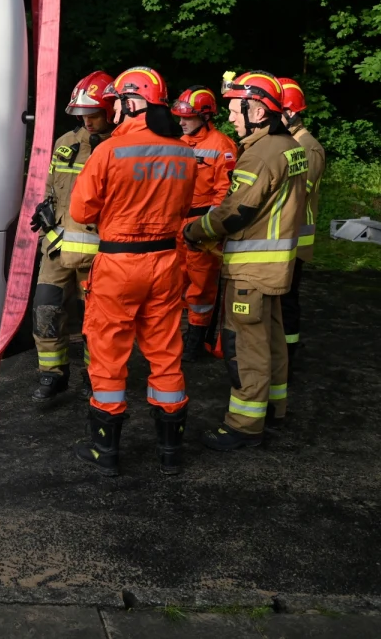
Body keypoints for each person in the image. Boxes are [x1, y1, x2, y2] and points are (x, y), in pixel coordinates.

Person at [68, 66, 196, 476]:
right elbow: (183, 206)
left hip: (119, 265)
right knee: (165, 354)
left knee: (108, 354)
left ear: (130, 103)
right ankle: (171, 453)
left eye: (119, 102)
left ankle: (105, 453)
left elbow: (81, 211)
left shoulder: (109, 151)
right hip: (165, 263)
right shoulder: (184, 150)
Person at [183, 71, 307, 450]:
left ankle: (243, 425)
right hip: (276, 266)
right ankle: (273, 407)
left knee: (245, 345)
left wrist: (193, 230)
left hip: (250, 271)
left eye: (237, 110)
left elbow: (234, 213)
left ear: (257, 109)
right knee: (271, 341)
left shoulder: (259, 154)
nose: (231, 118)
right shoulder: (290, 147)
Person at [28, 71, 115, 401]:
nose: (88, 123)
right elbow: (53, 185)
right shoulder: (66, 143)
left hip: (98, 253)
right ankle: (53, 374)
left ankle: (96, 377)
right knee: (45, 310)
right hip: (56, 248)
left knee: (96, 322)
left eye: (94, 115)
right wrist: (43, 207)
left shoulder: (118, 149)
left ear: (110, 111)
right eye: (83, 116)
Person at [171, 87, 238, 360]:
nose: (182, 122)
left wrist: (208, 229)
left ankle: (196, 341)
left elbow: (225, 193)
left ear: (205, 116)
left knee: (201, 287)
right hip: (174, 223)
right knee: (174, 282)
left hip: (201, 225)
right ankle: (174, 336)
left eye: (187, 117)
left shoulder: (222, 146)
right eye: (179, 117)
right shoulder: (177, 142)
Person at [276, 77, 326, 386]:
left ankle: (290, 351)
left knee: (288, 299)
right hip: (284, 234)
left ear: (291, 113)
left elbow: (293, 193)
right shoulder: (292, 143)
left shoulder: (309, 148)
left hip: (296, 237)